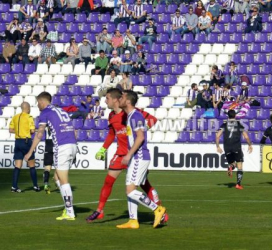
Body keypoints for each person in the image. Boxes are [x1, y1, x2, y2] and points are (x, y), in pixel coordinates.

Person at [86, 88, 168, 225]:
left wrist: (141, 130)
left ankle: (159, 210)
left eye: (107, 98)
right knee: (112, 182)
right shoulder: (113, 116)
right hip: (122, 154)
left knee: (142, 185)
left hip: (135, 154)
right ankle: (103, 211)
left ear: (116, 99)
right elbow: (112, 134)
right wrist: (103, 149)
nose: (105, 101)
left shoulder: (134, 114)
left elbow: (151, 121)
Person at [116, 90, 167, 229]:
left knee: (131, 191)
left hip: (138, 156)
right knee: (130, 189)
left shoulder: (135, 116)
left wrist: (128, 155)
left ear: (127, 101)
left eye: (122, 97)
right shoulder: (131, 116)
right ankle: (133, 220)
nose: (119, 99)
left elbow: (140, 137)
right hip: (136, 157)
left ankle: (157, 209)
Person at [25, 92, 77, 220]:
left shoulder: (45, 113)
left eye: (38, 102)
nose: (37, 105)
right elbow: (73, 130)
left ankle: (70, 212)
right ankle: (67, 207)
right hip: (72, 144)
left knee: (63, 180)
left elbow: (40, 133)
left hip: (62, 146)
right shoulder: (61, 111)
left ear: (42, 101)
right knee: (56, 177)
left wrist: (30, 151)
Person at [216, 109, 253, 189]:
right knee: (239, 165)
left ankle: (230, 167)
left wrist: (218, 146)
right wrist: (250, 145)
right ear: (235, 116)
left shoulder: (224, 125)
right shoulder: (239, 124)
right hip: (236, 146)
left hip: (227, 147)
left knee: (232, 163)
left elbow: (217, 136)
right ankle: (238, 184)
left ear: (228, 116)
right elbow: (246, 136)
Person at [9, 102, 39, 193]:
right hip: (26, 142)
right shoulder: (29, 117)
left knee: (17, 165)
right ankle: (35, 186)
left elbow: (10, 130)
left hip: (17, 142)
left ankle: (14, 186)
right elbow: (32, 130)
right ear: (28, 108)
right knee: (32, 165)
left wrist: (19, 131)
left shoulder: (15, 117)